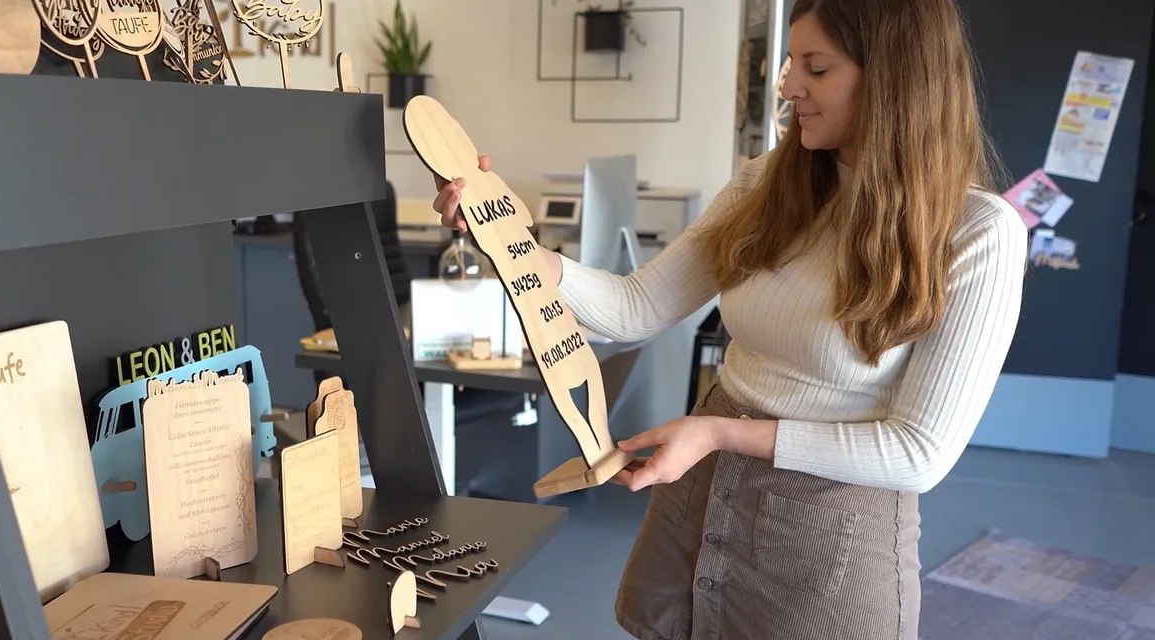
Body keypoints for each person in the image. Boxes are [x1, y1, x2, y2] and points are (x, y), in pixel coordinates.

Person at [432, 0, 1026, 637]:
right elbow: (637, 307)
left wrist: (718, 433)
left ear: (898, 80)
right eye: (792, 64)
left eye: (817, 70)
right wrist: (514, 246)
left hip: (826, 536)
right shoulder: (767, 184)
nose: (789, 86)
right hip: (704, 489)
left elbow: (919, 454)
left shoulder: (978, 234)